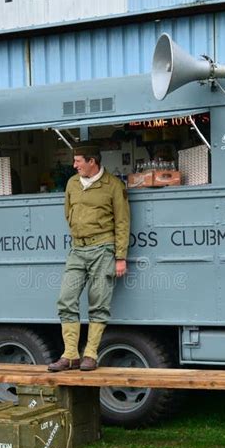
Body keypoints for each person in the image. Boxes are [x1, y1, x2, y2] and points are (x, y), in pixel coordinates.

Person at [48, 145, 130, 371]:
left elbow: (122, 222)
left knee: (98, 303)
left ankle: (91, 354)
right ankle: (70, 355)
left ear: (91, 161)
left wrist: (120, 256)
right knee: (66, 299)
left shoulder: (113, 185)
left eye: (78, 161)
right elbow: (68, 213)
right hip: (77, 250)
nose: (74, 166)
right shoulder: (72, 183)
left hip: (103, 249)